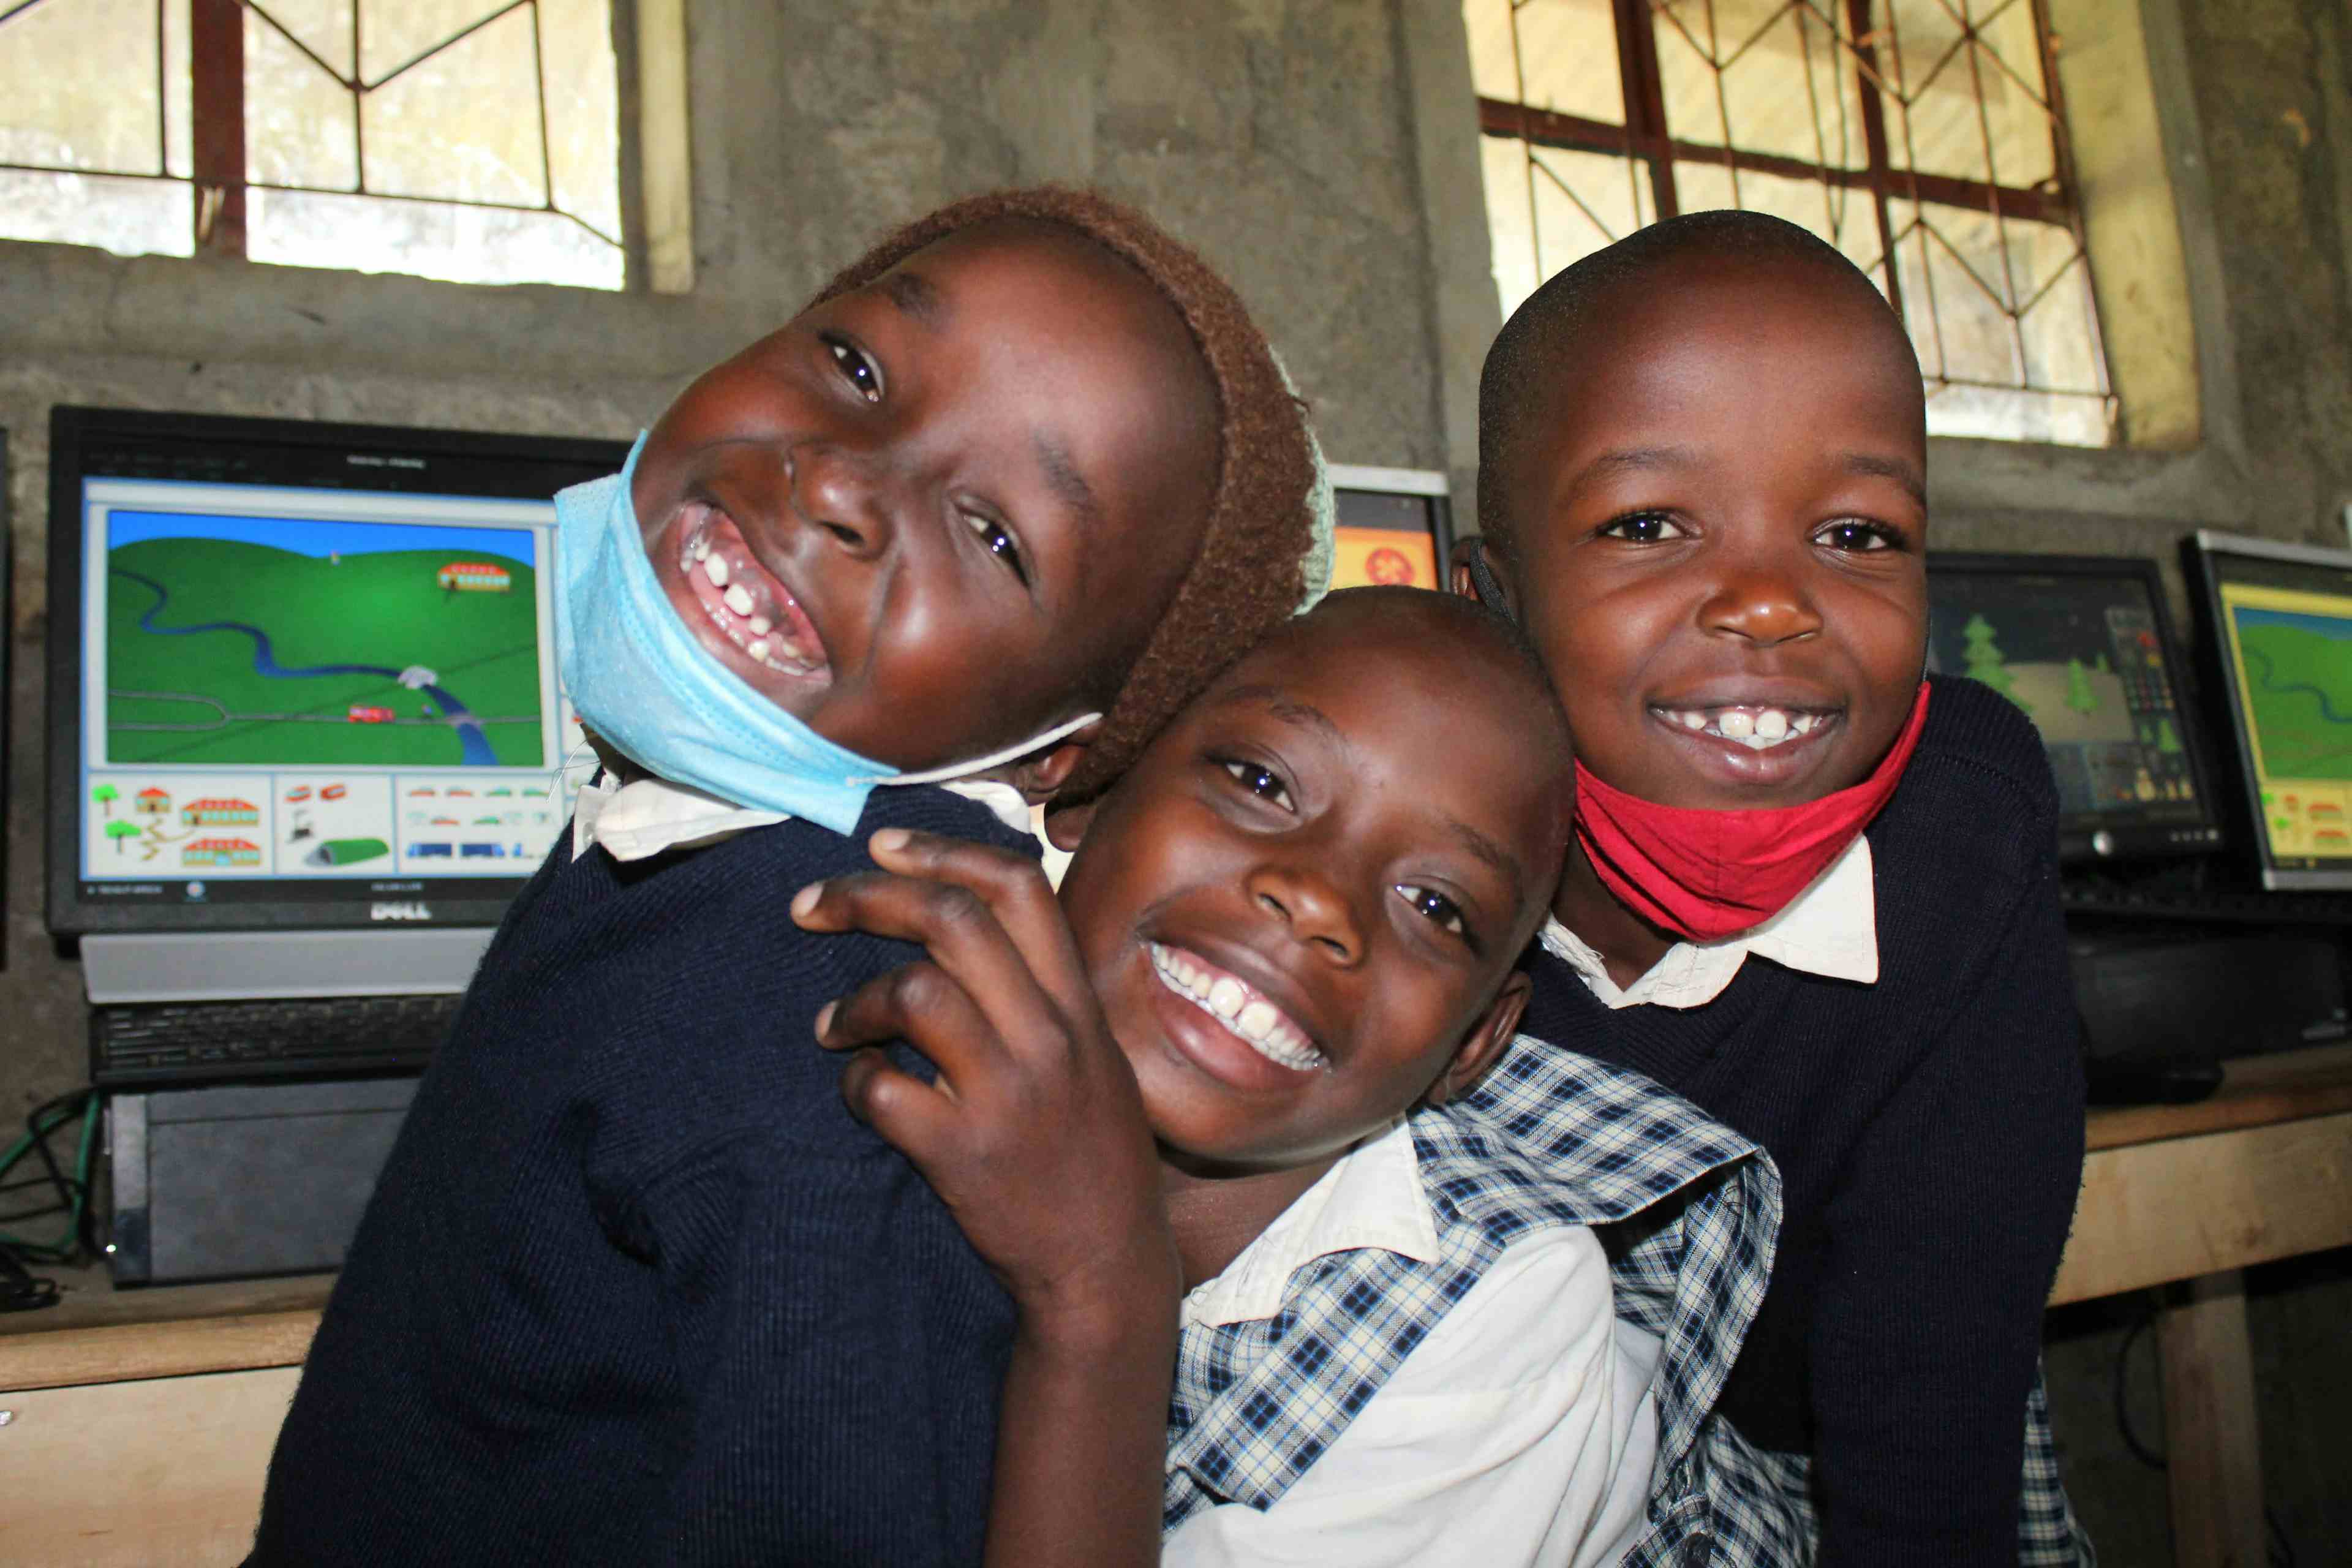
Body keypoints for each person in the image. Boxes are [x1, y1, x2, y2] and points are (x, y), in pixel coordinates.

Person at [246, 187, 1322, 1568]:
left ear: (1056, 751)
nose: (838, 480)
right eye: (858, 366)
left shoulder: (843, 1036)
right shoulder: (693, 825)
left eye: (998, 537)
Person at [790, 587, 1781, 1568]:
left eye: (1436, 905)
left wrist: (1097, 1300)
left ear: (1474, 1042)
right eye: (1261, 782)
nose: (1315, 899)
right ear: (1092, 801)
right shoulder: (926, 962)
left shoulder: (1497, 1319)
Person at [1457, 209, 2090, 1565]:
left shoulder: (1956, 842)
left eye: (1859, 533)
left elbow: (1928, 1403)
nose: (1766, 600)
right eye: (1647, 522)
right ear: (1492, 595)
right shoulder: (1404, 843)